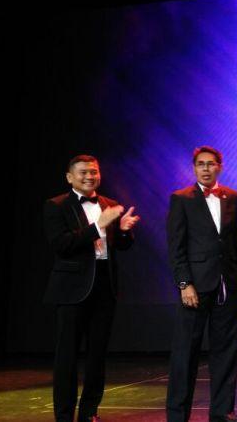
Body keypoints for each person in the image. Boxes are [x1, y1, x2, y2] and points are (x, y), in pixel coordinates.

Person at [43, 154, 139, 422]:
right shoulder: (56, 205)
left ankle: (89, 412)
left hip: (104, 286)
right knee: (67, 355)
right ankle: (64, 415)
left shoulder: (109, 204)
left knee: (97, 355)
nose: (89, 176)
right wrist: (98, 226)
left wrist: (123, 230)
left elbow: (121, 246)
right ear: (69, 177)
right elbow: (62, 245)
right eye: (83, 172)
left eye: (94, 172)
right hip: (72, 288)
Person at [166, 146, 237, 422]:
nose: (205, 168)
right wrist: (184, 283)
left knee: (225, 352)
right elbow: (176, 247)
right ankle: (177, 416)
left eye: (210, 164)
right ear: (194, 168)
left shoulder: (233, 197)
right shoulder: (181, 199)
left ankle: (223, 412)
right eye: (200, 164)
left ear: (219, 167)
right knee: (185, 354)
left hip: (227, 286)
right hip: (195, 288)